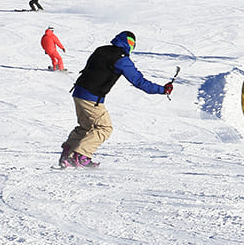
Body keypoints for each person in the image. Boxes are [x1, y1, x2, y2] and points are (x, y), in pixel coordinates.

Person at [60, 31, 171, 168]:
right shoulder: (122, 59)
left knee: (87, 127)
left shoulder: (101, 50)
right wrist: (162, 90)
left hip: (78, 93)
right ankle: (81, 156)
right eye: (132, 44)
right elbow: (138, 81)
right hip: (92, 97)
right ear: (129, 43)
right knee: (104, 127)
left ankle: (68, 153)